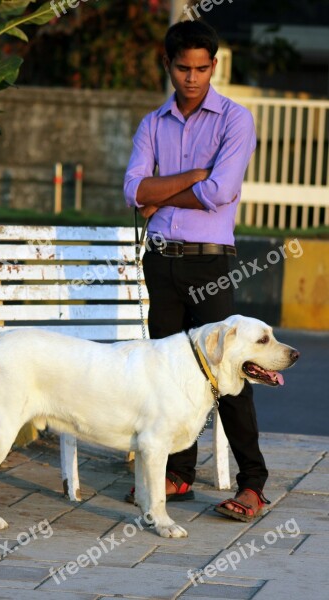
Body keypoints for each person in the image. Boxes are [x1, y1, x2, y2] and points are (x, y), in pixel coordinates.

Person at [123, 19, 270, 521]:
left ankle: (253, 483)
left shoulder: (235, 120)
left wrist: (163, 188)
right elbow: (135, 192)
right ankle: (178, 473)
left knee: (228, 371)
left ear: (214, 66)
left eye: (202, 68)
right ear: (168, 65)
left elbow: (221, 192)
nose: (192, 78)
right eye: (183, 68)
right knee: (168, 371)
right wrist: (191, 175)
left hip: (211, 262)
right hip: (161, 262)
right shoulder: (151, 124)